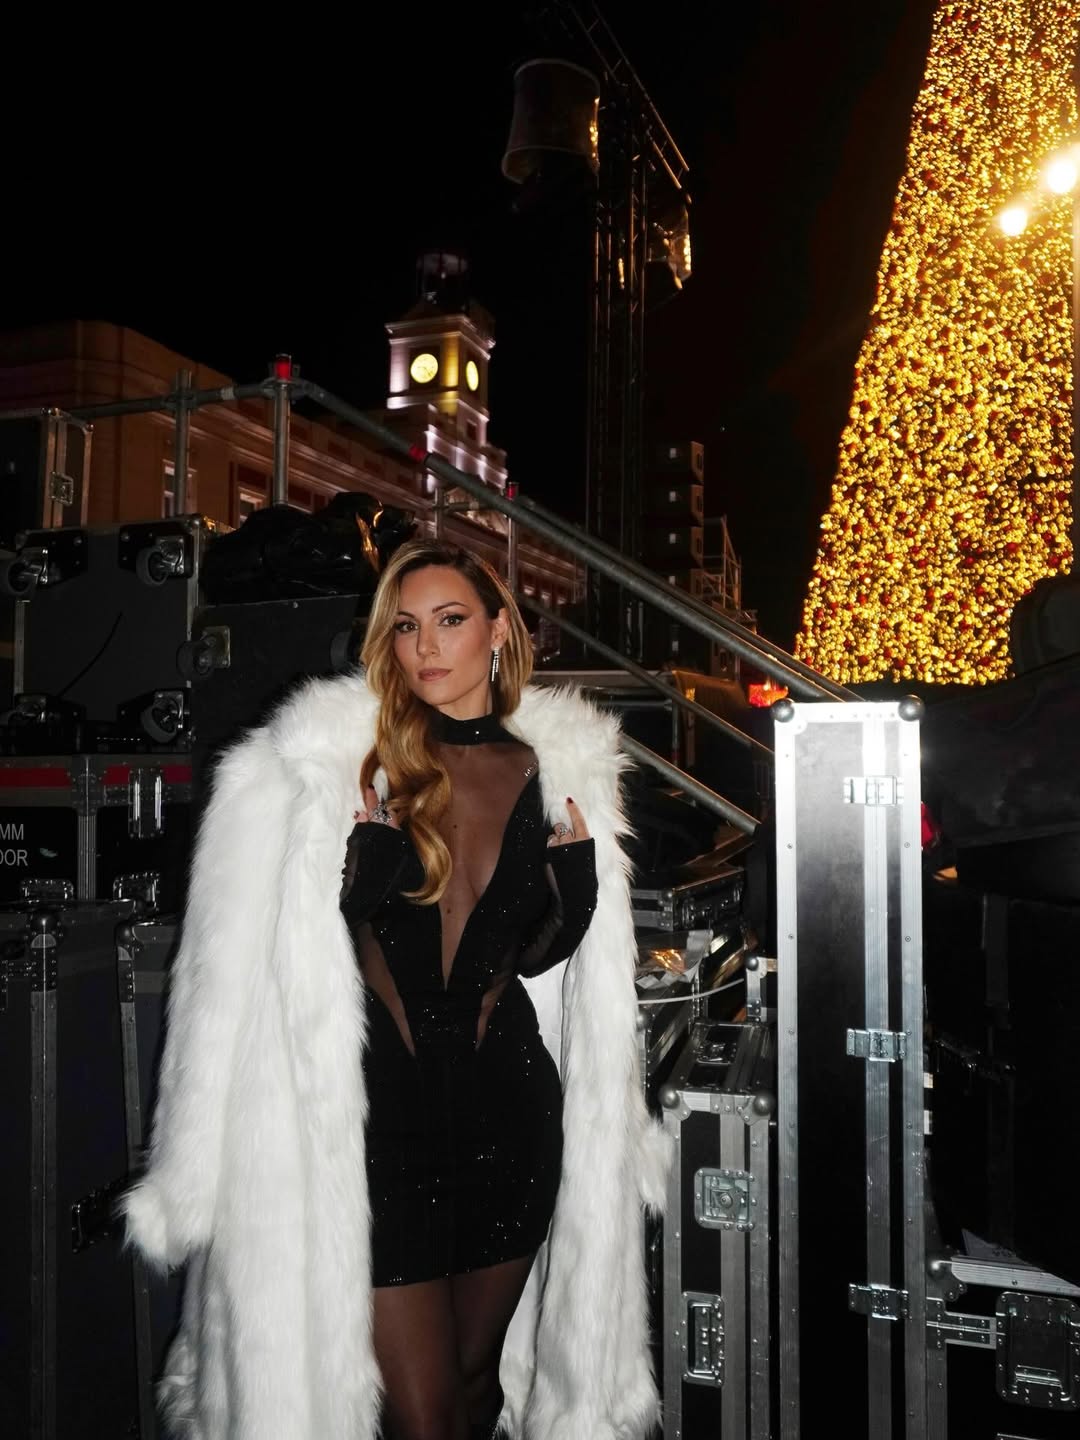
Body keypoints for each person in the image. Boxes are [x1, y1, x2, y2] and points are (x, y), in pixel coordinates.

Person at [124, 539, 669, 1440]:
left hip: (510, 1115)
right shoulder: (334, 764)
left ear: (499, 630)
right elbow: (274, 955)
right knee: (422, 1414)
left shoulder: (554, 773)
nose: (427, 646)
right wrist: (358, 882)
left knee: (478, 1387)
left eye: (450, 620)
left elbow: (531, 966)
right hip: (383, 1129)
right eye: (407, 626)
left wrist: (572, 908)